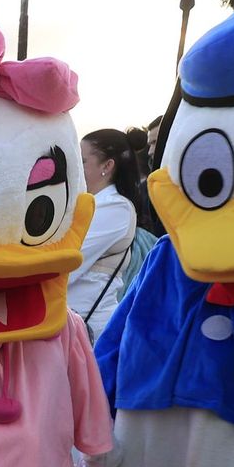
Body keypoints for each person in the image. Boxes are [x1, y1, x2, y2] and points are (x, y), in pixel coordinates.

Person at [70, 129, 141, 337]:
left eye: (82, 161)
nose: (75, 167)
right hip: (74, 321)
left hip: (89, 327)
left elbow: (71, 262)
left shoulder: (116, 208)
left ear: (107, 166)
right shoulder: (87, 202)